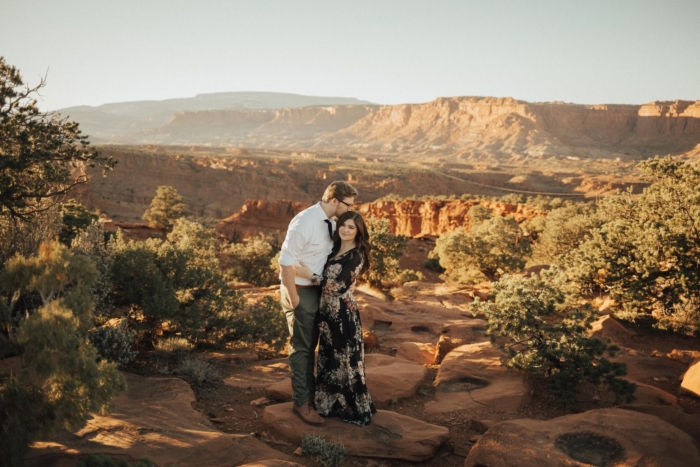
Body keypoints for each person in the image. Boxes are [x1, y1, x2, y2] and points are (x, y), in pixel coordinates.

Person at [278, 181, 357, 425]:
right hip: (301, 290)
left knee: (314, 345)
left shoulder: (331, 223)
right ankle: (302, 402)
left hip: (318, 290)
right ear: (334, 201)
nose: (350, 209)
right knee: (302, 347)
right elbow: (285, 261)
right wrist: (294, 299)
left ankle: (314, 396)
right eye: (348, 205)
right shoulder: (305, 222)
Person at [295, 211, 377, 427]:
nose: (346, 230)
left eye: (351, 227)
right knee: (329, 357)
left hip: (342, 315)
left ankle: (352, 407)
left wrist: (309, 275)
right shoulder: (333, 250)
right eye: (343, 225)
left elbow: (338, 287)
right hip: (326, 314)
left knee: (345, 360)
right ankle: (329, 405)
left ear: (358, 231)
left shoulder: (356, 256)